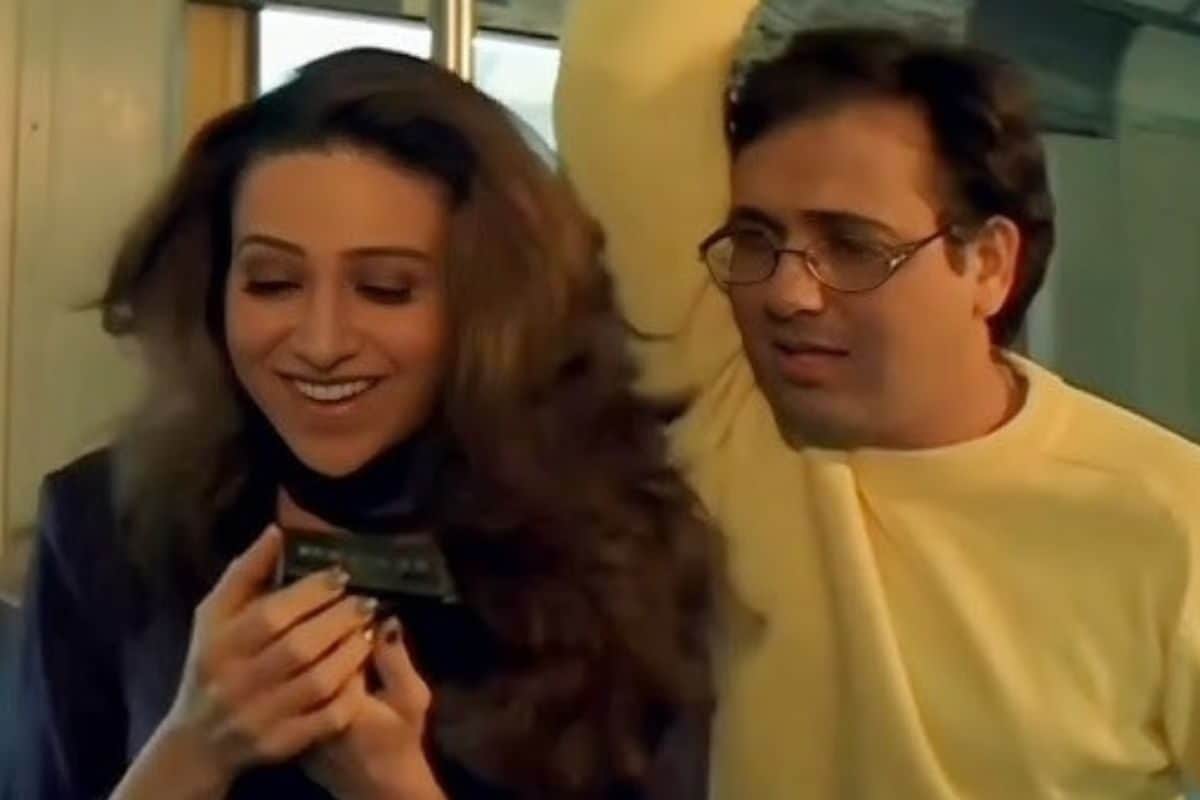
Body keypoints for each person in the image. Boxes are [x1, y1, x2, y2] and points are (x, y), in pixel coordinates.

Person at [10, 48, 718, 800]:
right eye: (273, 282)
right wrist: (192, 753)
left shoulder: (618, 551)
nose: (321, 343)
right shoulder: (102, 527)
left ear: (490, 309)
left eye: (385, 289)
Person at [556, 3, 1200, 798]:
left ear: (988, 265)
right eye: (757, 240)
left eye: (853, 247)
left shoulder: (1170, 521)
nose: (789, 293)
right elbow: (623, 72)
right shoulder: (738, 420)